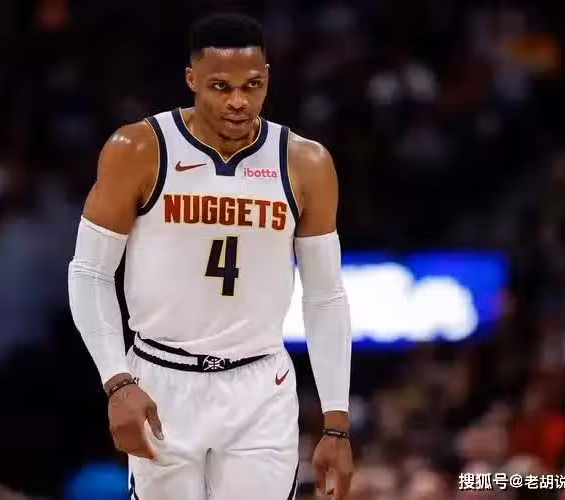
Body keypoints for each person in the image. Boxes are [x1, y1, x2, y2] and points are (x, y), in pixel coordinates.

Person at [68, 12, 353, 500]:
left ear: (268, 79)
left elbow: (325, 295)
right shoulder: (139, 148)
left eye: (253, 85)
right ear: (192, 79)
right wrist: (116, 381)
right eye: (221, 87)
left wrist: (336, 423)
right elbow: (90, 272)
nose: (239, 101)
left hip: (261, 385)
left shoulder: (306, 163)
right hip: (161, 378)